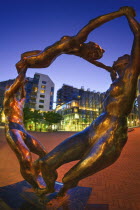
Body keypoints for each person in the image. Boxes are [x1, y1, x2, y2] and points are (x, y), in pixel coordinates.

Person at [36, 7, 139, 197]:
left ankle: (63, 192)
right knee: (45, 163)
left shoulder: (130, 77)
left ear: (129, 62)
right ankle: (50, 189)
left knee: (69, 178)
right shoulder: (115, 78)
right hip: (94, 127)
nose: (118, 56)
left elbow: (138, 37)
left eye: (124, 56)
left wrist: (126, 15)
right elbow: (102, 66)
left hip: (111, 133)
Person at [15, 7, 134, 76]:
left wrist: (108, 69)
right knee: (23, 62)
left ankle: (21, 81)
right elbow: (94, 23)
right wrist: (120, 13)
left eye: (95, 56)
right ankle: (22, 78)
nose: (92, 57)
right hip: (44, 57)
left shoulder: (79, 48)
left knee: (23, 65)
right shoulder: (78, 45)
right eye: (95, 53)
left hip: (44, 58)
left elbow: (97, 63)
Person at [3, 67, 47, 194]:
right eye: (11, 88)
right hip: (12, 129)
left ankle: (36, 174)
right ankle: (34, 182)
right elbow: (16, 85)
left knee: (43, 152)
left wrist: (23, 86)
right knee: (26, 156)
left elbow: (24, 95)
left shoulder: (20, 103)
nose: (13, 90)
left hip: (23, 129)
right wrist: (24, 68)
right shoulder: (8, 98)